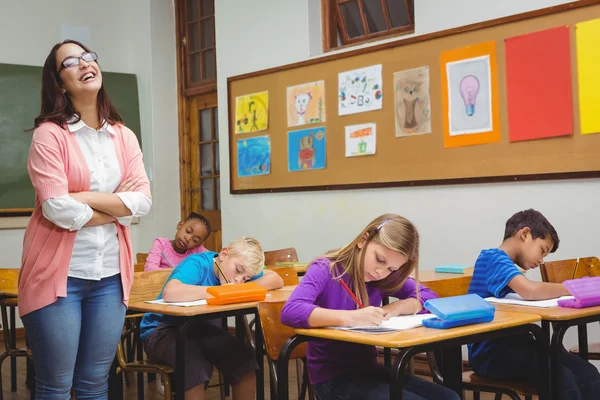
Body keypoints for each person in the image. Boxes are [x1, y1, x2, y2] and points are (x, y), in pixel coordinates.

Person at [19, 39, 151, 399]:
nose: (83, 63)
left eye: (88, 57)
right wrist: (114, 210)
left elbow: (142, 201)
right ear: (60, 83)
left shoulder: (123, 136)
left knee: (96, 383)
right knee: (56, 386)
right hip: (58, 278)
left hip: (110, 277)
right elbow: (56, 209)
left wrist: (87, 198)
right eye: (70, 62)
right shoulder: (50, 134)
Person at [281, 214, 460, 400]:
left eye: (392, 269)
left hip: (370, 370)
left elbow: (429, 297)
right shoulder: (327, 269)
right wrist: (351, 317)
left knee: (449, 397)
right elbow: (291, 310)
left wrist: (398, 307)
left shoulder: (381, 278)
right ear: (363, 240)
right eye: (379, 260)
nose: (381, 272)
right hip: (331, 378)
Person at [468, 209, 600, 399]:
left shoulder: (507, 267)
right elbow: (530, 291)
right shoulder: (492, 258)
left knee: (587, 372)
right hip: (491, 353)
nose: (541, 260)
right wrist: (572, 288)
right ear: (525, 234)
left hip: (519, 345)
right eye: (542, 250)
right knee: (561, 377)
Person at [140, 237, 284, 400]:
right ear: (224, 254)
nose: (238, 280)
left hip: (198, 330)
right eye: (238, 270)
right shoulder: (197, 264)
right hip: (161, 330)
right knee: (194, 365)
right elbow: (170, 292)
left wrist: (242, 288)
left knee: (245, 360)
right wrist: (218, 291)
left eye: (246, 278)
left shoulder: (244, 269)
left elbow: (276, 279)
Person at [144, 212, 211, 271]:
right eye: (188, 231)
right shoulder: (161, 244)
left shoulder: (197, 250)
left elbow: (215, 260)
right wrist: (179, 275)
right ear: (180, 225)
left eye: (195, 240)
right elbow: (149, 269)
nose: (187, 238)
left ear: (198, 245)